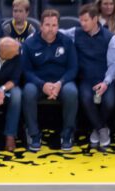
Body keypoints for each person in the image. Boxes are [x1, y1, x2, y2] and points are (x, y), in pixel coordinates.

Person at [22, 9, 79, 151]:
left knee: (72, 92)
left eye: (54, 25)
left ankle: (67, 135)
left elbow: (73, 68)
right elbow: (26, 71)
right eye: (47, 25)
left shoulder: (66, 42)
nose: (50, 29)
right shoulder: (29, 43)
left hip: (62, 82)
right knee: (28, 91)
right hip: (38, 83)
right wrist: (42, 85)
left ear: (58, 26)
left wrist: (60, 83)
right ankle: (34, 134)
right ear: (41, 26)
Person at [72, 3, 115, 150]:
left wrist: (105, 83)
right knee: (86, 99)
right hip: (85, 79)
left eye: (86, 20)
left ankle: (96, 129)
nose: (82, 23)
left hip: (105, 80)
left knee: (110, 102)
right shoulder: (75, 33)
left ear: (95, 19)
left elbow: (113, 65)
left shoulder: (110, 38)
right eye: (81, 20)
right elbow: (56, 33)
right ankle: (102, 129)